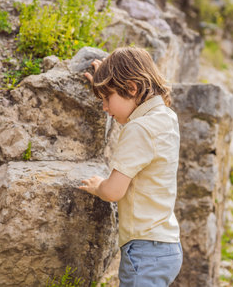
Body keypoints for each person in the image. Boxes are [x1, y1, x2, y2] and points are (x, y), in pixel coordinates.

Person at [80, 47, 182, 287]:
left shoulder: (138, 129)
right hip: (165, 247)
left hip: (145, 251)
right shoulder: (167, 117)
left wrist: (98, 186)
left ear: (132, 88)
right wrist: (107, 80)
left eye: (107, 99)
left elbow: (113, 191)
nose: (105, 107)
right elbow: (130, 110)